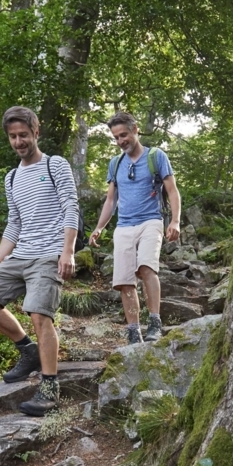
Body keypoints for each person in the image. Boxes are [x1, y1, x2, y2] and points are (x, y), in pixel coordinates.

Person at [0, 106, 79, 416]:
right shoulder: (11, 177)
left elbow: (70, 208)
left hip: (49, 254)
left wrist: (68, 251)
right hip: (21, 254)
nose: (19, 141)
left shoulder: (55, 165)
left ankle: (49, 387)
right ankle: (27, 350)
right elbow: (14, 223)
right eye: (13, 136)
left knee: (38, 314)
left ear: (36, 132)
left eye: (23, 135)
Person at [89, 111, 181, 343]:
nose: (121, 141)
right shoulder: (115, 163)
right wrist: (100, 227)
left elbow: (171, 191)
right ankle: (133, 330)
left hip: (151, 220)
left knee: (146, 268)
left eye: (124, 135)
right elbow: (111, 200)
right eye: (116, 138)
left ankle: (155, 321)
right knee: (124, 280)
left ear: (135, 129)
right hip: (124, 226)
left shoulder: (156, 156)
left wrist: (175, 221)